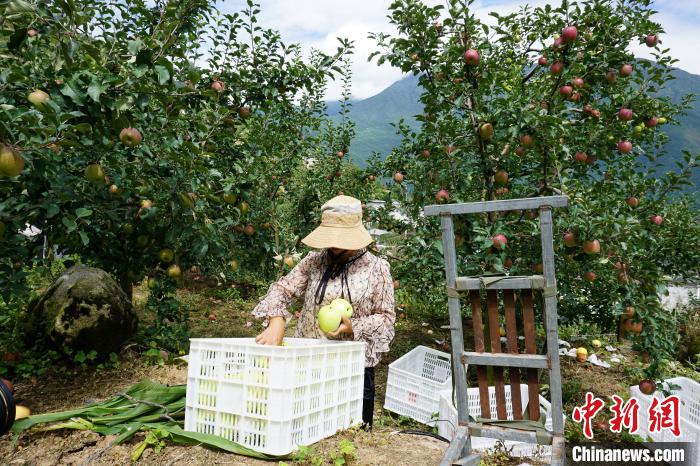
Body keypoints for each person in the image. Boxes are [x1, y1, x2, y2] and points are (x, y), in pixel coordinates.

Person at [253, 195, 395, 429]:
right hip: (309, 364)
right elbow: (282, 289)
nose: (335, 244)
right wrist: (276, 319)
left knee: (350, 435)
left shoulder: (377, 268)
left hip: (352, 370)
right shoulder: (314, 261)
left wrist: (354, 327)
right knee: (304, 430)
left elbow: (386, 319)